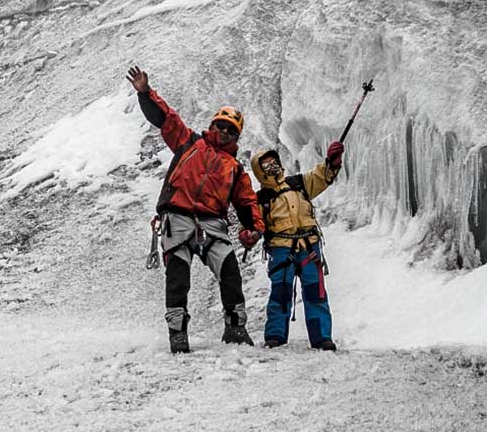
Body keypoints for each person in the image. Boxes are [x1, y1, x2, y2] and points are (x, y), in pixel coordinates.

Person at [126, 65, 264, 354]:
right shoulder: (190, 142)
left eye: (230, 130)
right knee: (178, 277)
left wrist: (254, 229)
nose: (223, 132)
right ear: (212, 126)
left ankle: (236, 327)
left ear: (236, 137)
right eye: (220, 125)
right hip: (177, 218)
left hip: (212, 223)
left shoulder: (235, 170)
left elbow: (246, 203)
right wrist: (145, 93)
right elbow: (165, 118)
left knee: (230, 272)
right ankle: (178, 333)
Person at [250, 142, 344, 350]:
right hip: (281, 249)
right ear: (260, 172)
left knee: (316, 292)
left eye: (274, 162)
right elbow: (252, 222)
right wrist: (249, 233)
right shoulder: (260, 200)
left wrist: (331, 163)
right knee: (280, 293)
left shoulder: (299, 184)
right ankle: (275, 336)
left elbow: (320, 177)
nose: (272, 167)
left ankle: (322, 338)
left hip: (309, 246)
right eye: (266, 165)